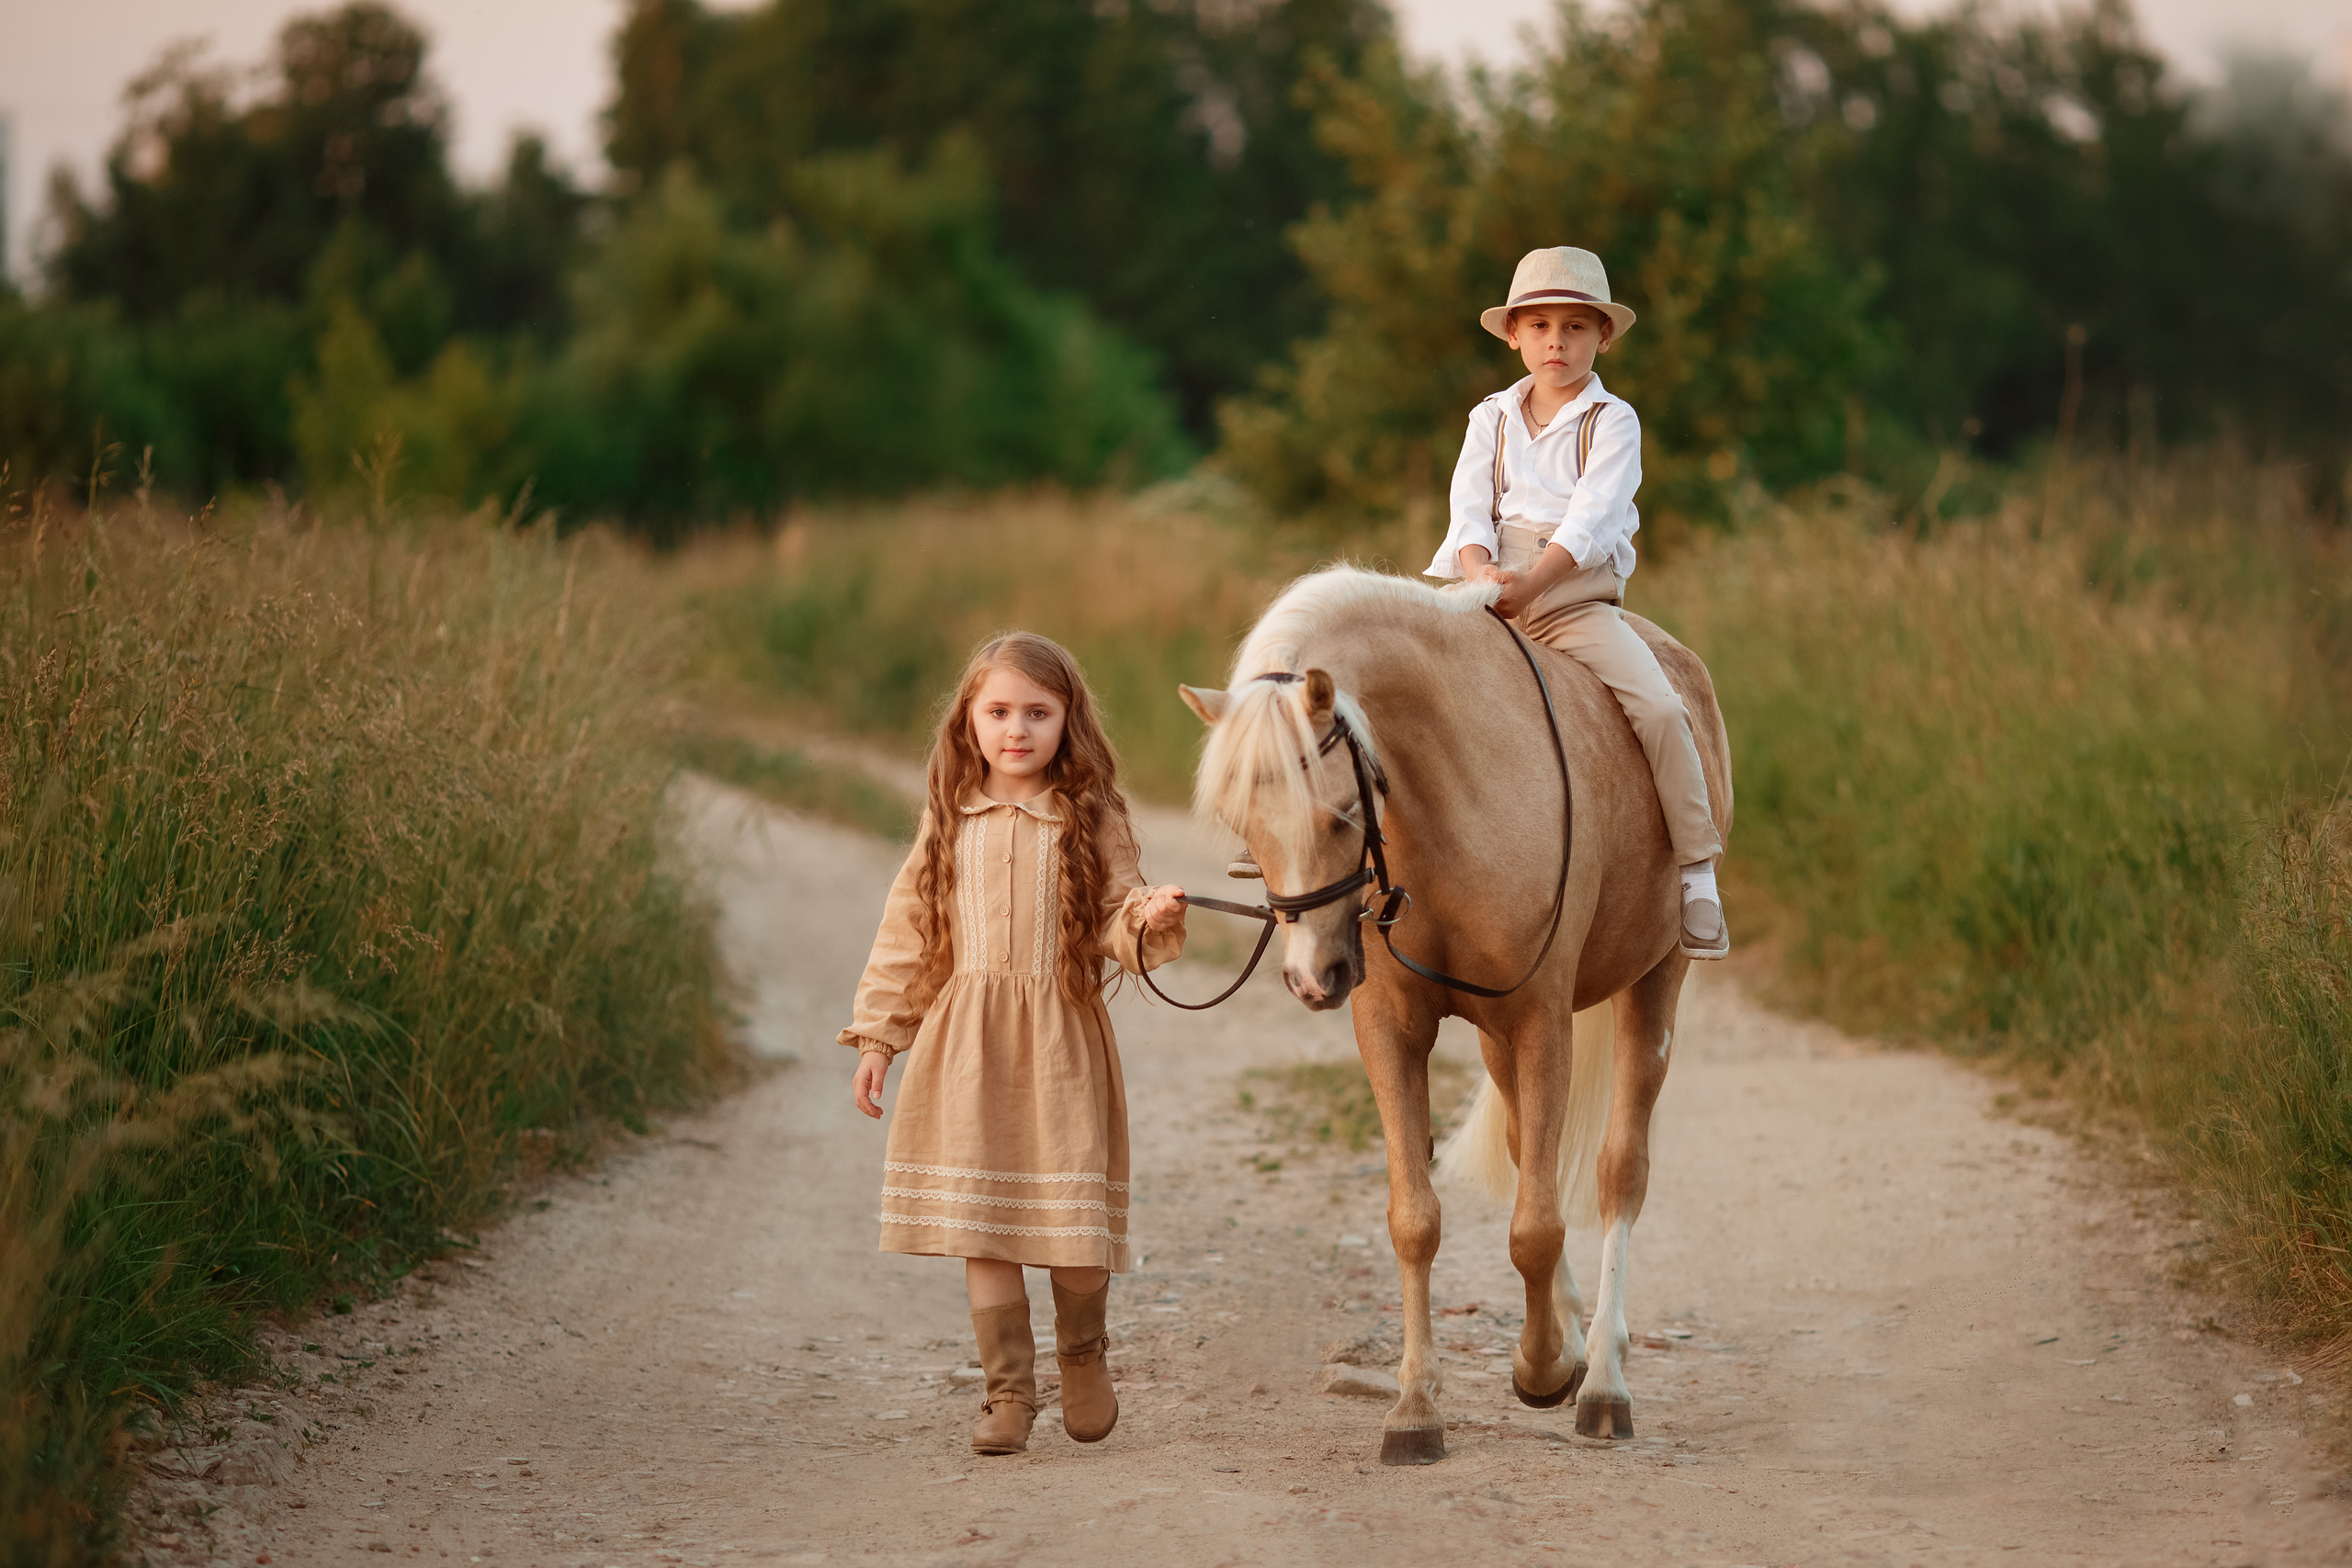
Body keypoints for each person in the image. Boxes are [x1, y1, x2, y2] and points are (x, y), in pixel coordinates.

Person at [841, 631, 1187, 1456]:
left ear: (1070, 719)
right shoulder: (949, 819)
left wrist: (1150, 917)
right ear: (968, 719)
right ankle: (1006, 1392)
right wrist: (881, 1037)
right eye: (998, 711)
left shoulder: (1089, 815)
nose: (1017, 730)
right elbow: (911, 933)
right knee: (984, 1225)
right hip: (968, 1047)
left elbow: (1116, 917)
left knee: (1070, 1227)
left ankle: (1083, 1356)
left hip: (1061, 1042)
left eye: (1039, 712)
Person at [1431, 245, 1728, 958]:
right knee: (1402, 686)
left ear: (1604, 337)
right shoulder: (1491, 418)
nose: (1555, 342)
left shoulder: (1613, 421)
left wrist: (1530, 584)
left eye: (1573, 327)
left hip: (1567, 598)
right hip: (1485, 589)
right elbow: (1468, 509)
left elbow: (1591, 519)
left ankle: (1695, 871)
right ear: (1514, 336)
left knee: (1659, 706)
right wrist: (1479, 575)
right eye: (1538, 326)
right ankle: (1327, 840)